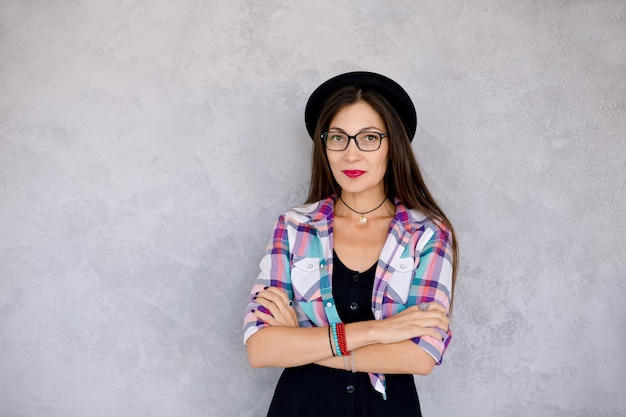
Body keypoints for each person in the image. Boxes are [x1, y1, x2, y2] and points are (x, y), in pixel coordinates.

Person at [243, 71, 458, 417]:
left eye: (369, 138)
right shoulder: (295, 227)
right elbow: (261, 348)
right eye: (338, 138)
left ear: (393, 144)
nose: (351, 155)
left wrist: (300, 341)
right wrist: (381, 331)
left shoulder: (427, 233)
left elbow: (419, 356)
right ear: (324, 145)